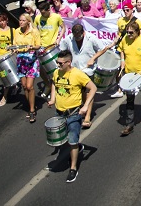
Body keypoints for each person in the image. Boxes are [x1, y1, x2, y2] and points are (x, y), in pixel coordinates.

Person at [47, 48, 97, 184]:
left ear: (69, 62)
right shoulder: (57, 72)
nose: (58, 65)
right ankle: (77, 148)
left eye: (61, 63)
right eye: (57, 62)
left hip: (74, 114)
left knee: (72, 141)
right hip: (59, 113)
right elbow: (54, 84)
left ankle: (73, 168)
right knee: (64, 139)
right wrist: (52, 99)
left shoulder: (78, 75)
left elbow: (93, 88)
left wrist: (86, 106)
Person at [59, 23, 105, 127]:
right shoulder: (69, 39)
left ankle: (87, 116)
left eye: (79, 36)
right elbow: (63, 50)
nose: (77, 38)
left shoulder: (91, 38)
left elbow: (102, 48)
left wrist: (93, 58)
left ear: (83, 33)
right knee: (80, 93)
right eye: (75, 37)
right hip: (75, 70)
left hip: (88, 70)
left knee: (89, 92)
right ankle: (83, 108)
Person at [118, 20, 141, 136]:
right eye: (127, 32)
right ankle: (129, 124)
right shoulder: (125, 39)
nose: (128, 35)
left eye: (131, 33)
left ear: (137, 32)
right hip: (129, 73)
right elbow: (121, 50)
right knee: (130, 98)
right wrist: (122, 61)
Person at [13, 13, 41, 123]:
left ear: (28, 21)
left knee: (30, 86)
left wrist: (32, 47)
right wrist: (15, 49)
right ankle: (29, 104)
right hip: (21, 60)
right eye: (20, 20)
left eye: (23, 20)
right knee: (24, 86)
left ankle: (32, 110)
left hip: (32, 59)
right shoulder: (16, 31)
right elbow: (15, 44)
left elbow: (38, 45)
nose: (21, 22)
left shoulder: (34, 32)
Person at [35, 1, 65, 98]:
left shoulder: (56, 17)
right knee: (41, 70)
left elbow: (63, 28)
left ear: (49, 10)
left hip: (52, 47)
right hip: (40, 47)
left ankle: (57, 88)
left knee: (55, 70)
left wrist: (59, 39)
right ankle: (48, 85)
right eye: (40, 12)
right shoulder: (37, 18)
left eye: (43, 12)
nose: (41, 14)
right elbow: (35, 31)